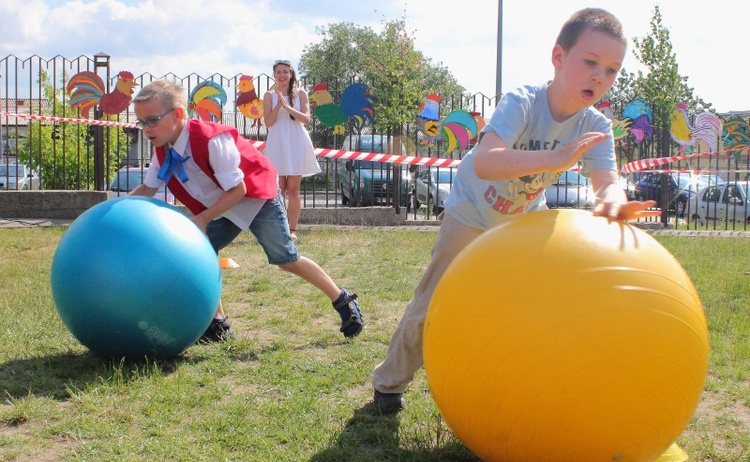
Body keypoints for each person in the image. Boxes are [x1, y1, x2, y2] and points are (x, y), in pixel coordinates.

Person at [371, 8, 658, 413]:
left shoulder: (596, 125)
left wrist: (614, 200)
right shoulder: (522, 102)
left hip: (522, 221)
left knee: (529, 307)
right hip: (471, 212)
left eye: (612, 70)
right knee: (434, 301)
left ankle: (516, 381)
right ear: (558, 57)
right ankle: (388, 384)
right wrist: (555, 159)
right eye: (590, 62)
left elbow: (606, 179)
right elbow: (487, 162)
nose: (599, 76)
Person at [128, 79, 364, 342]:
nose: (146, 129)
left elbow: (238, 190)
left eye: (152, 120)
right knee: (203, 252)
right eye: (141, 122)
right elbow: (148, 188)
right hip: (222, 204)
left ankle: (343, 299)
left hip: (254, 196)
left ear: (178, 114)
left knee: (286, 258)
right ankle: (218, 323)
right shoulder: (162, 150)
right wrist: (111, 209)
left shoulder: (211, 139)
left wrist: (204, 218)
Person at [262, 60, 321, 240]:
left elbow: (306, 119)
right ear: (274, 75)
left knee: (293, 188)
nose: (282, 75)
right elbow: (268, 122)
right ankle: (280, 227)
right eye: (278, 72)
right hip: (277, 141)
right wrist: (279, 105)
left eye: (285, 72)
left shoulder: (301, 93)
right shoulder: (269, 95)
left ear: (291, 74)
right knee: (279, 188)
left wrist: (287, 107)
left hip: (296, 141)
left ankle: (292, 229)